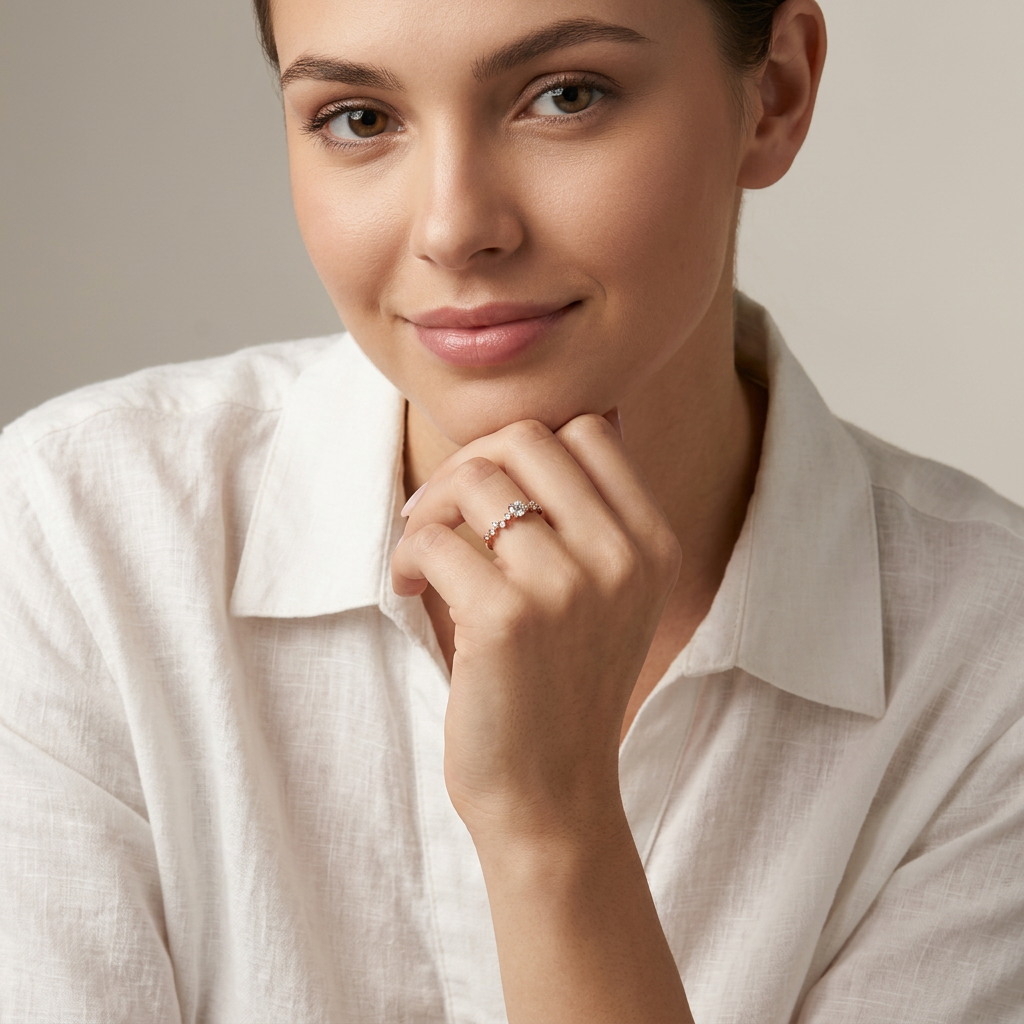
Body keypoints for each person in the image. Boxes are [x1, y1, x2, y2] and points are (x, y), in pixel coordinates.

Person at [1, 0, 1022, 1020]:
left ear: (777, 94)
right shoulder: (75, 538)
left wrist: (552, 824)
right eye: (359, 118)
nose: (454, 231)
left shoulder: (990, 670)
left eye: (566, 96)